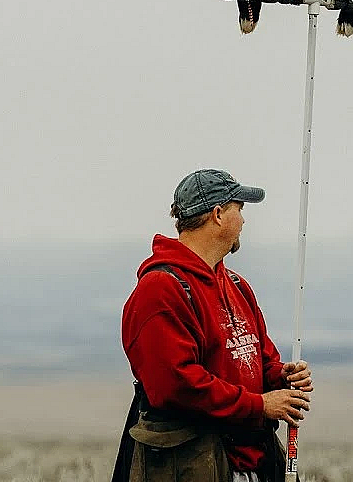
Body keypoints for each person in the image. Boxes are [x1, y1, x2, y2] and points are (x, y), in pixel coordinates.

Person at [117, 169, 313, 482]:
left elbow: (262, 359)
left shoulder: (237, 285)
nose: (244, 221)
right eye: (240, 209)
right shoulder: (160, 289)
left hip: (251, 462)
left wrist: (281, 378)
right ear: (218, 214)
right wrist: (259, 405)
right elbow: (177, 384)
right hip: (193, 464)